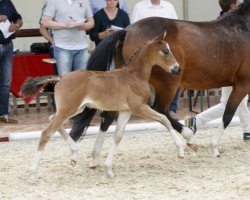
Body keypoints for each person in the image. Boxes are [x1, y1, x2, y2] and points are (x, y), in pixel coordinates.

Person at [185, 0, 250, 142]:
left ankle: (247, 131)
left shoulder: (229, 20)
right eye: (238, 2)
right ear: (232, 5)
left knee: (240, 100)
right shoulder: (230, 23)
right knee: (229, 103)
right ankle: (196, 121)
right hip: (230, 71)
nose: (240, 3)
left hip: (234, 69)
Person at [131, 0, 179, 118]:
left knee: (174, 74)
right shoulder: (139, 7)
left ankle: (171, 108)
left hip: (165, 50)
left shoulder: (169, 7)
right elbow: (134, 29)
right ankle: (142, 107)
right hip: (146, 52)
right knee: (141, 77)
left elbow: (175, 28)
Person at [42, 0, 94, 76]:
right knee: (65, 81)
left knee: (82, 81)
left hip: (82, 47)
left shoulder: (85, 1)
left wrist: (84, 26)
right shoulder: (53, 1)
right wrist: (65, 25)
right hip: (62, 47)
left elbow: (91, 22)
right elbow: (45, 22)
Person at [0, 0, 23, 124]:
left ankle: (3, 114)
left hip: (8, 46)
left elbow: (18, 18)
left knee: (5, 82)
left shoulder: (6, 2)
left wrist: (17, 25)